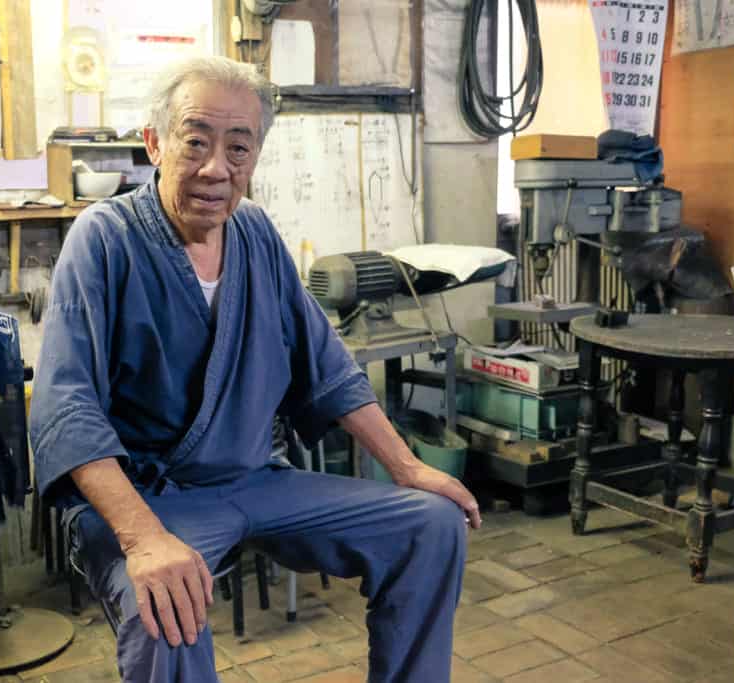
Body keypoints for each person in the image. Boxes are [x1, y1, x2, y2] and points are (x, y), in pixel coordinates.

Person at [30, 55, 481, 683]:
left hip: (255, 478)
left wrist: (407, 466)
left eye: (238, 147)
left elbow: (327, 364)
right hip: (154, 499)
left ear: (255, 156)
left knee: (431, 525)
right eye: (196, 142)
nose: (217, 168)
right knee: (166, 609)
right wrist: (143, 539)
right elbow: (66, 404)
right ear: (155, 143)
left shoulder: (256, 233)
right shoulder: (103, 237)